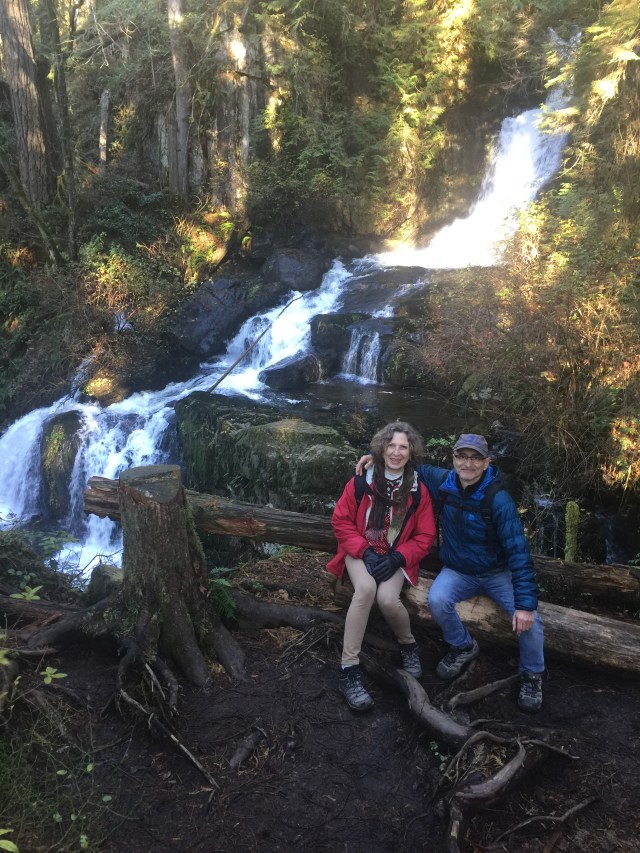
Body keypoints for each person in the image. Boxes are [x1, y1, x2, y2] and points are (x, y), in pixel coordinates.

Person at [357, 433, 544, 712]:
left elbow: (518, 551)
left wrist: (526, 605)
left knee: (531, 620)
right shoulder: (444, 482)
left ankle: (532, 673)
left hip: (496, 572)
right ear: (453, 458)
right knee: (436, 600)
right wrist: (378, 459)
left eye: (475, 458)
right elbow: (407, 463)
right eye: (462, 456)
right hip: (458, 570)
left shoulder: (499, 500)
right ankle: (463, 646)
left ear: (486, 462)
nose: (467, 463)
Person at [327, 421, 436, 712]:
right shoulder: (362, 480)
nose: (396, 452)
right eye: (391, 446)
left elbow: (425, 536)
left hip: (395, 555)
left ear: (411, 451)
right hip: (359, 550)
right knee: (365, 590)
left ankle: (408, 644)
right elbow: (340, 521)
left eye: (403, 446)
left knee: (388, 599)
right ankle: (349, 669)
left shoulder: (417, 490)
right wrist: (363, 550)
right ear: (382, 448)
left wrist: (398, 558)